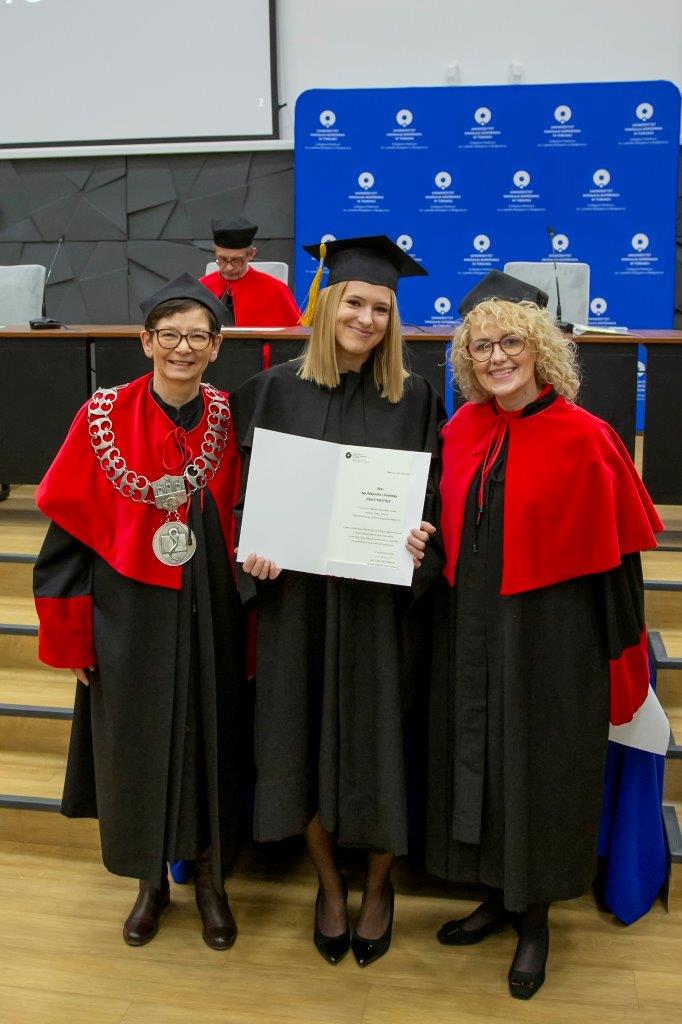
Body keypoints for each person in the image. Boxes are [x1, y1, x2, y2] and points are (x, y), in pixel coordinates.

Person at [424, 270, 662, 999]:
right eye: (482, 346)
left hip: (554, 638)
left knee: (540, 770)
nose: (496, 357)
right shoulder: (461, 431)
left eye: (511, 343)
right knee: (480, 762)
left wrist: (621, 655)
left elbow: (620, 563)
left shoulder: (587, 438)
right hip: (472, 629)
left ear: (541, 349)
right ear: (467, 358)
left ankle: (535, 921)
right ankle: (495, 897)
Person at [232, 235, 444, 968]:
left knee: (379, 743)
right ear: (326, 305)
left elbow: (433, 501)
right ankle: (328, 886)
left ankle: (379, 887)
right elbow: (243, 500)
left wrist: (421, 539)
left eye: (380, 308)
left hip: (377, 606)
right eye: (354, 302)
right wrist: (254, 550)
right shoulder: (271, 391)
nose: (365, 318)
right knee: (298, 740)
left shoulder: (414, 397)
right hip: (297, 605)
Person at [33, 273, 245, 950]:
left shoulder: (229, 417)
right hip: (128, 611)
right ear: (147, 341)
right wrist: (73, 639)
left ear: (216, 347)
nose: (183, 348)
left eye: (198, 337)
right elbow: (65, 541)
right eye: (169, 335)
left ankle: (209, 877)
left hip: (211, 606)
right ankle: (150, 880)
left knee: (211, 739)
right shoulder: (101, 417)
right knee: (135, 743)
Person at [199, 215, 301, 329]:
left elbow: (295, 334)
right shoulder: (200, 288)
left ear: (251, 254)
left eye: (237, 260)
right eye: (222, 259)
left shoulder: (276, 290)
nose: (229, 268)